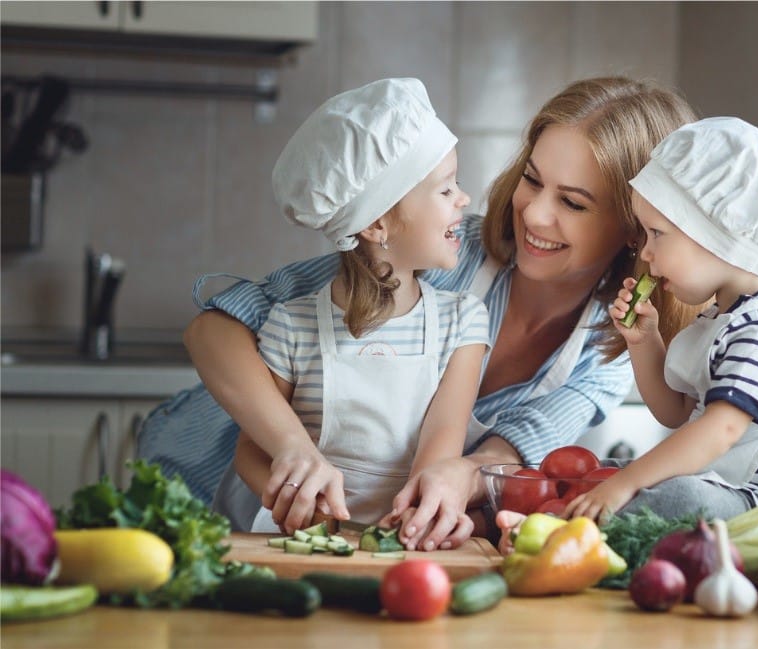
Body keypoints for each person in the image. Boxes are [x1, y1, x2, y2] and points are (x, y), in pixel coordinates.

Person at [138, 77, 704, 550]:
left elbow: (520, 440)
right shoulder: (441, 249)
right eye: (532, 180)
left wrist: (460, 480)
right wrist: (291, 447)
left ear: (635, 225)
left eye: (572, 203)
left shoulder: (614, 342)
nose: (533, 213)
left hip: (348, 533)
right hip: (211, 475)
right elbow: (214, 328)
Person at [230, 78, 490, 532]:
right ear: (376, 223)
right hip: (302, 543)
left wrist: (412, 519)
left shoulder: (462, 322)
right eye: (446, 190)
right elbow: (250, 451)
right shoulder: (292, 325)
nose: (464, 199)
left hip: (402, 539)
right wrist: (298, 510)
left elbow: (441, 441)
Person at [563, 117, 758, 525]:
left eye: (657, 234)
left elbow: (721, 431)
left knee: (677, 497)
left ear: (716, 233)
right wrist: (644, 342)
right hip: (731, 489)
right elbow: (676, 413)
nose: (645, 253)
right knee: (629, 480)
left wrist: (625, 482)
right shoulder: (723, 319)